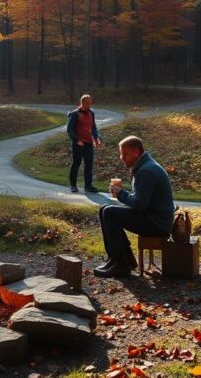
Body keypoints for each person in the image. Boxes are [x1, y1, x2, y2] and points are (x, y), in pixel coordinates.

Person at [95, 136, 175, 278]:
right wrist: (123, 195)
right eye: (121, 154)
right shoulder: (146, 166)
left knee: (109, 213)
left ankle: (120, 265)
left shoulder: (145, 171)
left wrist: (121, 194)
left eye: (124, 154)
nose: (121, 157)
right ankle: (121, 260)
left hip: (157, 223)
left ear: (136, 152)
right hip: (155, 218)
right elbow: (142, 201)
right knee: (104, 209)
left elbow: (139, 205)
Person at [66, 94, 102, 193]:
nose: (90, 105)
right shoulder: (75, 114)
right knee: (76, 163)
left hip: (89, 143)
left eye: (91, 102)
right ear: (83, 103)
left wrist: (96, 138)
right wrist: (77, 140)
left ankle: (88, 186)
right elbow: (70, 129)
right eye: (88, 103)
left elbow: (93, 127)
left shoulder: (91, 113)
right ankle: (73, 185)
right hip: (78, 143)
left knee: (89, 164)